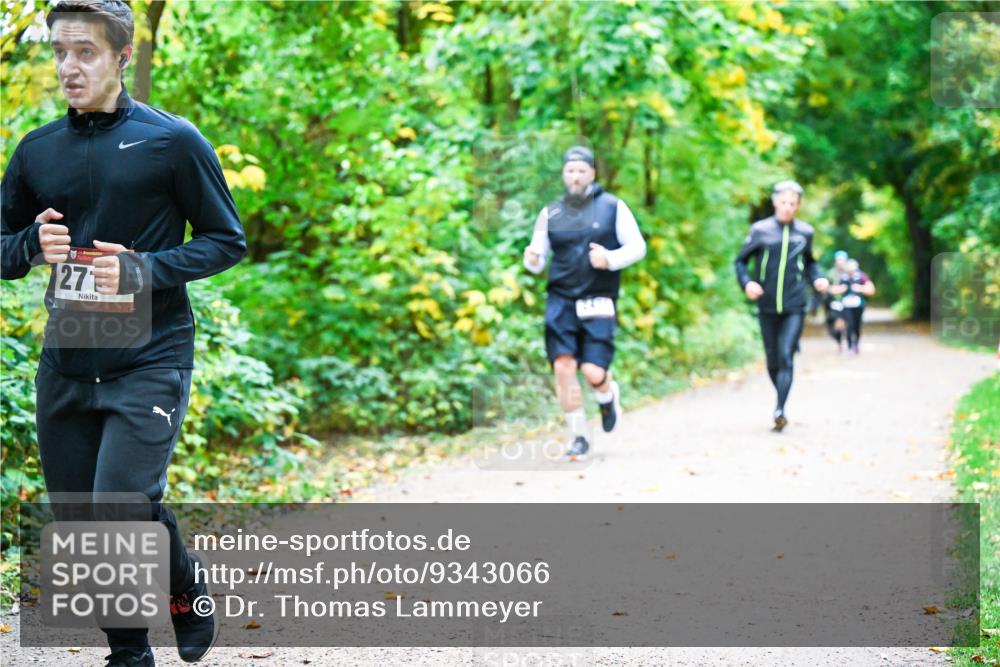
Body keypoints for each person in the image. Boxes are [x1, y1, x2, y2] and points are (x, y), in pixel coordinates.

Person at [0, 1, 246, 665]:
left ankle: (180, 593)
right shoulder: (37, 151)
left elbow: (227, 240)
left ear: (120, 57)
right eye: (59, 53)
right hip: (68, 357)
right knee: (84, 523)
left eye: (85, 53)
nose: (68, 67)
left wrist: (141, 269)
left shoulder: (173, 141)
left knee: (120, 506)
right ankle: (131, 650)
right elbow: (1, 249)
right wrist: (28, 244)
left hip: (151, 355)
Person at [523, 146, 646, 460]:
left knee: (592, 371)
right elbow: (537, 257)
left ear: (592, 172)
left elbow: (637, 247)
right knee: (563, 366)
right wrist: (532, 259)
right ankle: (578, 435)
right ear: (564, 174)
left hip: (598, 299)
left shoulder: (612, 207)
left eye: (581, 170)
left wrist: (610, 258)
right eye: (569, 171)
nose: (575, 176)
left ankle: (606, 395)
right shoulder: (550, 212)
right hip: (560, 300)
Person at [734, 180, 829, 432]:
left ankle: (780, 409)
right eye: (783, 202)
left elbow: (810, 263)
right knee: (772, 360)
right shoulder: (760, 230)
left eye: (792, 203)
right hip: (766, 305)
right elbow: (740, 262)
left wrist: (817, 278)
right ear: (775, 202)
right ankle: (781, 397)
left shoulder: (805, 232)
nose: (787, 207)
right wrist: (747, 283)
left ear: (798, 206)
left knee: (786, 355)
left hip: (794, 304)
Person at [834, 258, 875, 355]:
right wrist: (841, 289)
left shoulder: (862, 276)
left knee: (857, 325)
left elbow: (871, 290)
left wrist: (860, 288)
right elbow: (835, 290)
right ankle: (849, 347)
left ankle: (856, 344)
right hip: (846, 305)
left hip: (858, 305)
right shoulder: (843, 277)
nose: (850, 273)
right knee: (849, 325)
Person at [823, 250, 850, 352]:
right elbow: (825, 288)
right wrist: (833, 290)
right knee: (833, 325)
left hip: (847, 303)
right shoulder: (830, 274)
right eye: (839, 260)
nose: (841, 262)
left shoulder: (850, 272)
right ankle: (839, 342)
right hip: (832, 302)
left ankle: (848, 343)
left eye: (843, 260)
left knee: (846, 323)